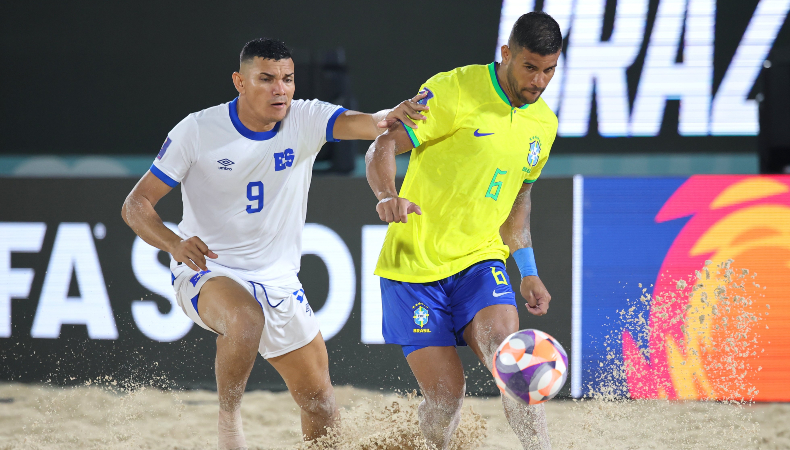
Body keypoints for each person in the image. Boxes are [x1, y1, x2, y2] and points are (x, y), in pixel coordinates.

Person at [121, 38, 427, 450]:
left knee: (320, 402)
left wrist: (388, 116)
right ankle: (229, 425)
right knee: (245, 321)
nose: (279, 89)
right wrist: (174, 243)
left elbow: (367, 122)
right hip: (209, 270)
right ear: (239, 82)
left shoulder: (304, 118)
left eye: (287, 79)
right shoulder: (198, 129)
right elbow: (135, 205)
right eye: (266, 79)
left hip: (279, 281)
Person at [365, 12, 561, 450]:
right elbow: (383, 142)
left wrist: (526, 268)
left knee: (515, 365)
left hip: (480, 260)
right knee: (446, 398)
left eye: (549, 70)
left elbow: (518, 201)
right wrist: (385, 194)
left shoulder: (543, 125)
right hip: (413, 268)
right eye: (530, 67)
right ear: (506, 54)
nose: (539, 81)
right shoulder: (453, 89)